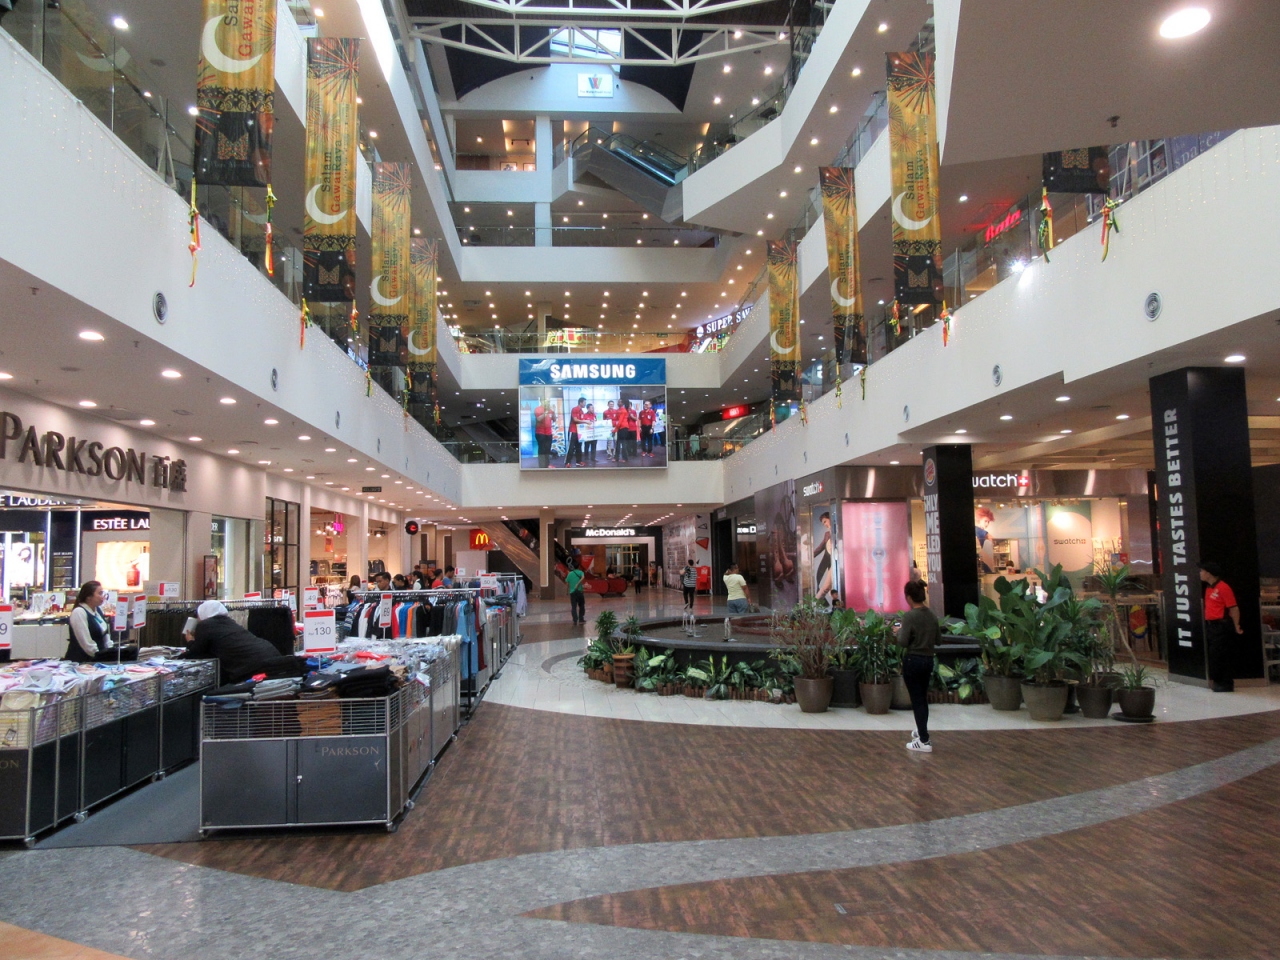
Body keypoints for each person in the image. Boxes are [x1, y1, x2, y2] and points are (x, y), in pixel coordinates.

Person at [184, 600, 299, 684]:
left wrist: (190, 641)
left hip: (251, 666)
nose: (198, 619)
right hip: (270, 655)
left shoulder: (205, 625)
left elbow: (197, 651)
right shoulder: (229, 622)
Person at [894, 579, 939, 753]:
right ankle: (921, 731)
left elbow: (903, 642)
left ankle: (924, 740)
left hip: (913, 661)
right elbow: (938, 640)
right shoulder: (932, 615)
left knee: (917, 700)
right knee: (922, 699)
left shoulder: (910, 616)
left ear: (909, 597)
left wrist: (899, 632)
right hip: (928, 660)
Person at [1200, 561, 1243, 692]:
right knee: (1215, 655)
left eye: (1202, 571)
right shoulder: (1209, 588)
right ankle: (1218, 680)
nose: (1200, 573)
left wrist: (1236, 625)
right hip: (1211, 626)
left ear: (1209, 573)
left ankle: (1226, 683)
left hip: (1221, 625)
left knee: (1221, 654)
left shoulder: (1223, 587)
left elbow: (1234, 608)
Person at [65, 581, 117, 662]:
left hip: (100, 658)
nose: (103, 597)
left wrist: (110, 652)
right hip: (82, 661)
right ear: (88, 597)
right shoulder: (79, 612)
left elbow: (105, 635)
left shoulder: (98, 610)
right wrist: (101, 656)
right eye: (100, 593)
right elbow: (87, 644)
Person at [814, 512, 835, 604]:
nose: (825, 525)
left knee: (826, 587)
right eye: (823, 523)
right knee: (831, 589)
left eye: (825, 521)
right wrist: (809, 556)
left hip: (842, 563)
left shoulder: (840, 531)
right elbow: (821, 547)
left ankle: (813, 606)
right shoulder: (827, 534)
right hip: (832, 564)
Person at [532, 393, 556, 468]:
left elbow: (554, 419)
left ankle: (547, 464)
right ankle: (542, 466)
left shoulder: (550, 410)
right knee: (542, 450)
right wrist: (546, 412)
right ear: (542, 401)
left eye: (549, 401)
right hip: (540, 433)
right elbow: (539, 419)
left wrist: (553, 411)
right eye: (547, 401)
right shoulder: (538, 409)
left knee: (548, 450)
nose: (548, 402)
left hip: (549, 433)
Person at [565, 395, 588, 467]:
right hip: (573, 431)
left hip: (579, 432)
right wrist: (585, 421)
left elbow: (583, 420)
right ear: (580, 403)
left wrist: (588, 422)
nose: (585, 404)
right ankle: (568, 462)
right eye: (584, 403)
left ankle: (578, 461)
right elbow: (575, 420)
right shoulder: (575, 409)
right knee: (571, 447)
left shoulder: (582, 411)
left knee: (579, 447)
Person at [566, 560, 586, 625]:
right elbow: (583, 577)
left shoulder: (570, 574)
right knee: (581, 605)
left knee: (573, 606)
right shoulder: (580, 572)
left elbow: (567, 583)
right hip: (579, 591)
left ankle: (575, 620)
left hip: (572, 592)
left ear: (573, 567)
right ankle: (581, 619)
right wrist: (578, 584)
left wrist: (567, 591)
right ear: (579, 566)